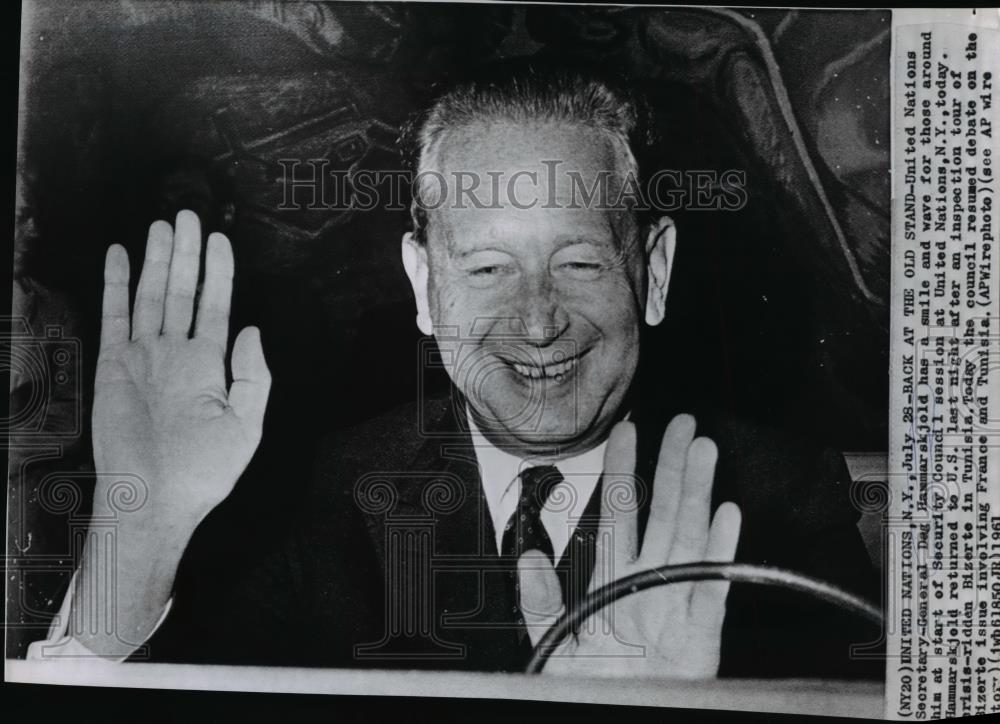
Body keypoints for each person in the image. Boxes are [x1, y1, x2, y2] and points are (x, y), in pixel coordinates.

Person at [29, 63, 879, 677]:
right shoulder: (299, 502)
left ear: (651, 272)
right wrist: (133, 536)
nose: (538, 321)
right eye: (485, 269)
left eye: (579, 263)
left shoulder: (778, 497)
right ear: (423, 287)